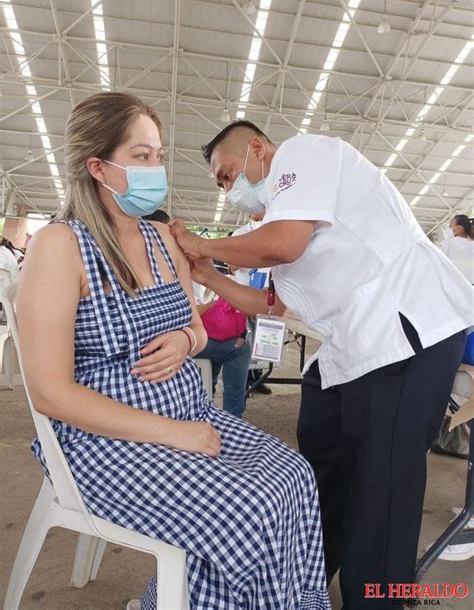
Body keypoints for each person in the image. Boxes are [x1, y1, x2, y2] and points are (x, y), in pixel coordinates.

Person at [16, 95, 330, 610]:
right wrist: (176, 434)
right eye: (141, 157)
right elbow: (51, 393)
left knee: (295, 476)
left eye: (158, 156)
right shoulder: (60, 245)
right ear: (98, 167)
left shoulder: (164, 238)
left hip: (188, 412)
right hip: (105, 441)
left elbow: (198, 334)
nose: (155, 170)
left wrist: (185, 340)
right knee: (246, 510)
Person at [170, 120, 473, 609]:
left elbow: (285, 242)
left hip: (406, 326)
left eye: (228, 175)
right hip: (358, 339)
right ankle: (309, 574)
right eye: (223, 185)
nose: (230, 191)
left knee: (383, 483)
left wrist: (203, 245)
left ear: (256, 149)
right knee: (323, 443)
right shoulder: (271, 220)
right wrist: (207, 272)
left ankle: (377, 597)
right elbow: (271, 304)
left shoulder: (303, 155)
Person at [230, 213, 273, 395]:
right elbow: (231, 266)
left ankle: (258, 378)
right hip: (244, 296)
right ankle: (243, 380)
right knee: (243, 340)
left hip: (267, 297)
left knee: (262, 340)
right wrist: (251, 256)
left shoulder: (274, 231)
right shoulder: (240, 234)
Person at [194, 291, 251, 418]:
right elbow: (186, 314)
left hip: (200, 335)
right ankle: (233, 417)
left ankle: (209, 401)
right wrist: (213, 303)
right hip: (187, 339)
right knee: (240, 350)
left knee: (227, 346)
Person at [440, 213, 473, 283]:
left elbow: (440, 262)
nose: (448, 228)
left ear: (459, 228)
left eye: (450, 226)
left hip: (454, 283)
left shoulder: (448, 243)